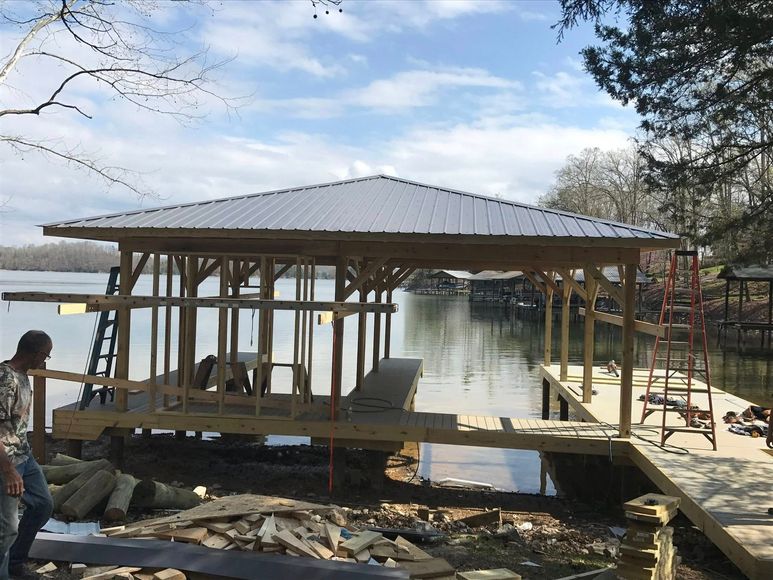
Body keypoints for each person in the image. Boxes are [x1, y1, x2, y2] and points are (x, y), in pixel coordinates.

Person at [0, 331, 54, 580]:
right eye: (46, 355)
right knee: (7, 528)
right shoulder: (5, 378)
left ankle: (16, 564)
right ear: (35, 353)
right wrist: (8, 470)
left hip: (24, 455)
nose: (45, 361)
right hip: (6, 461)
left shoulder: (23, 377)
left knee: (43, 505)